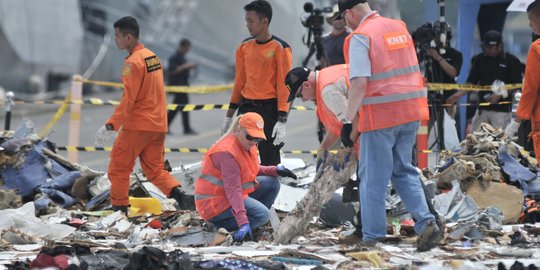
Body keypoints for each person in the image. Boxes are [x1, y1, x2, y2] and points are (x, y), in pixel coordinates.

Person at [337, 0, 442, 251]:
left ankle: (372, 238)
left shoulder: (361, 37)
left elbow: (360, 83)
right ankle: (427, 223)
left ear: (349, 13)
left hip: (382, 115)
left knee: (373, 178)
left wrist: (348, 121)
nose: (347, 25)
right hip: (411, 111)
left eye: (345, 19)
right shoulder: (398, 26)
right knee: (403, 170)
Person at [94, 16, 192, 213]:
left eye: (117, 36)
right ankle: (183, 198)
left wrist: (111, 125)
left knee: (119, 169)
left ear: (129, 37)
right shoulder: (152, 57)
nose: (115, 40)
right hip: (158, 125)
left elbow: (128, 100)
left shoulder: (132, 63)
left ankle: (119, 212)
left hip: (138, 125)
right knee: (155, 170)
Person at [285, 65, 363, 243]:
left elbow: (355, 123)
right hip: (371, 129)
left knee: (370, 181)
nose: (303, 101)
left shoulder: (328, 91)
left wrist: (346, 150)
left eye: (299, 96)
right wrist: (324, 147)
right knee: (397, 173)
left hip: (371, 132)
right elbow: (341, 125)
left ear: (306, 85)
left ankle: (365, 233)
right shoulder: (327, 79)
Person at [194, 112, 297, 241]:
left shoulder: (247, 145)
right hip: (214, 203)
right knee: (262, 215)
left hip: (228, 196)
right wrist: (242, 222)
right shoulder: (227, 153)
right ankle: (221, 226)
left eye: (257, 138)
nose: (253, 141)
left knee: (272, 183)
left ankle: (251, 224)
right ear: (239, 129)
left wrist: (275, 170)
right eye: (250, 137)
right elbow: (233, 190)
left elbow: (249, 169)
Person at [221, 0, 293, 166]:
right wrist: (229, 115)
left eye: (251, 21)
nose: (247, 25)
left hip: (269, 109)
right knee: (238, 153)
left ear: (265, 21)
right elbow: (239, 82)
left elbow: (284, 86)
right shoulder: (244, 47)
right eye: (246, 21)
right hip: (246, 108)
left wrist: (282, 119)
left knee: (269, 156)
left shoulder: (280, 48)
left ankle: (272, 188)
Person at [446, 30, 523, 132]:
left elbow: (517, 85)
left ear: (499, 46)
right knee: (474, 141)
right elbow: (472, 82)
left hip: (501, 111)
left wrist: (501, 94)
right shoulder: (479, 60)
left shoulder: (512, 61)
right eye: (485, 47)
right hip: (482, 109)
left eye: (489, 47)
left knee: (499, 142)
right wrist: (458, 95)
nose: (486, 50)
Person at [506, 0, 540, 164]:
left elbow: (531, 89)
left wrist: (517, 121)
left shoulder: (537, 48)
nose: (529, 24)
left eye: (531, 19)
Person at [422, 22, 463, 149]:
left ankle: (450, 151)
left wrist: (438, 57)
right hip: (431, 97)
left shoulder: (456, 54)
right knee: (426, 127)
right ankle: (421, 154)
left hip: (449, 97)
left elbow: (453, 72)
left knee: (450, 126)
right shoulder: (428, 54)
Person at [167, 38, 197, 135]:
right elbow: (172, 71)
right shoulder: (174, 57)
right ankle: (186, 128)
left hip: (183, 86)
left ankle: (166, 126)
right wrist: (186, 66)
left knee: (177, 108)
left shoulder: (182, 57)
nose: (188, 50)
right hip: (177, 86)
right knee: (183, 107)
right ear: (183, 47)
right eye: (187, 48)